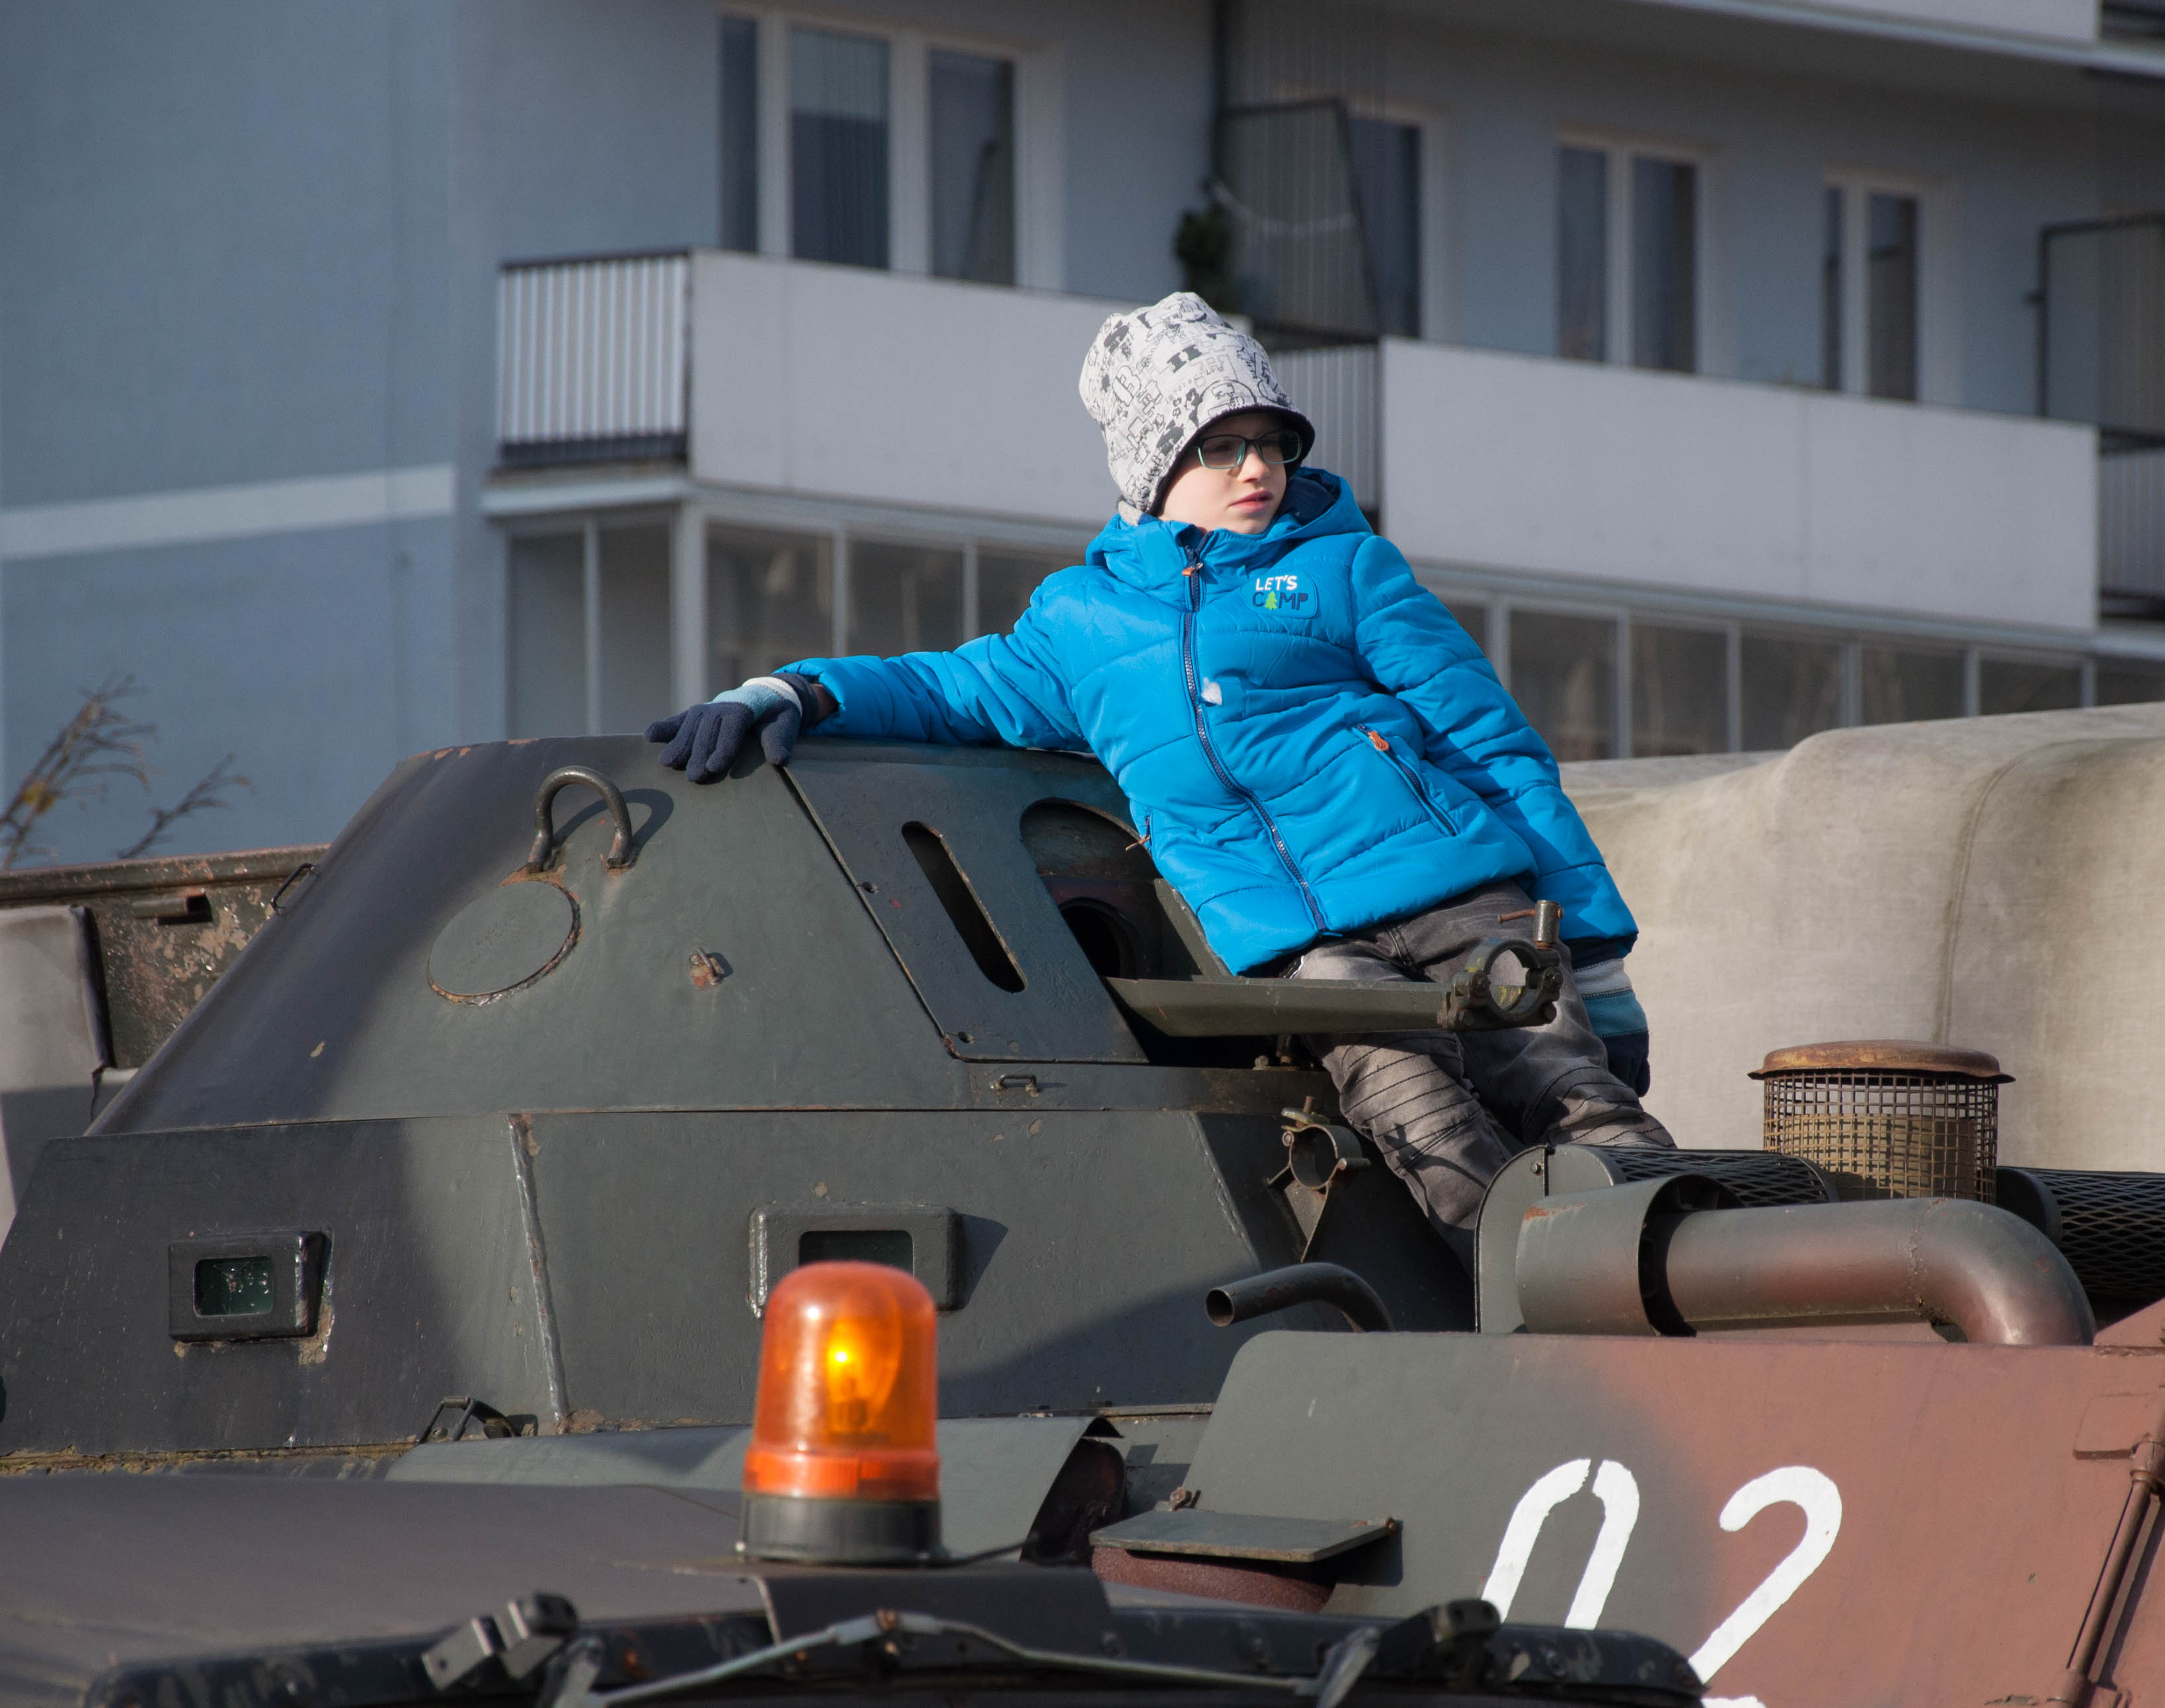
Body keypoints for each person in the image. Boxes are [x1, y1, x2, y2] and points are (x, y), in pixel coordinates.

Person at [649, 293, 1671, 1261]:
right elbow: (944, 689)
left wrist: (1595, 959)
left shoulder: (1346, 569)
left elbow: (1494, 747)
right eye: (1221, 446)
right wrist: (790, 691)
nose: (1256, 468)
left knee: (1577, 1100)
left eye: (1271, 442)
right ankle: (1550, 1306)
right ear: (1152, 465)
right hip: (1304, 948)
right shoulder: (1080, 624)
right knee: (1421, 1124)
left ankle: (1690, 1279)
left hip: (1460, 895)